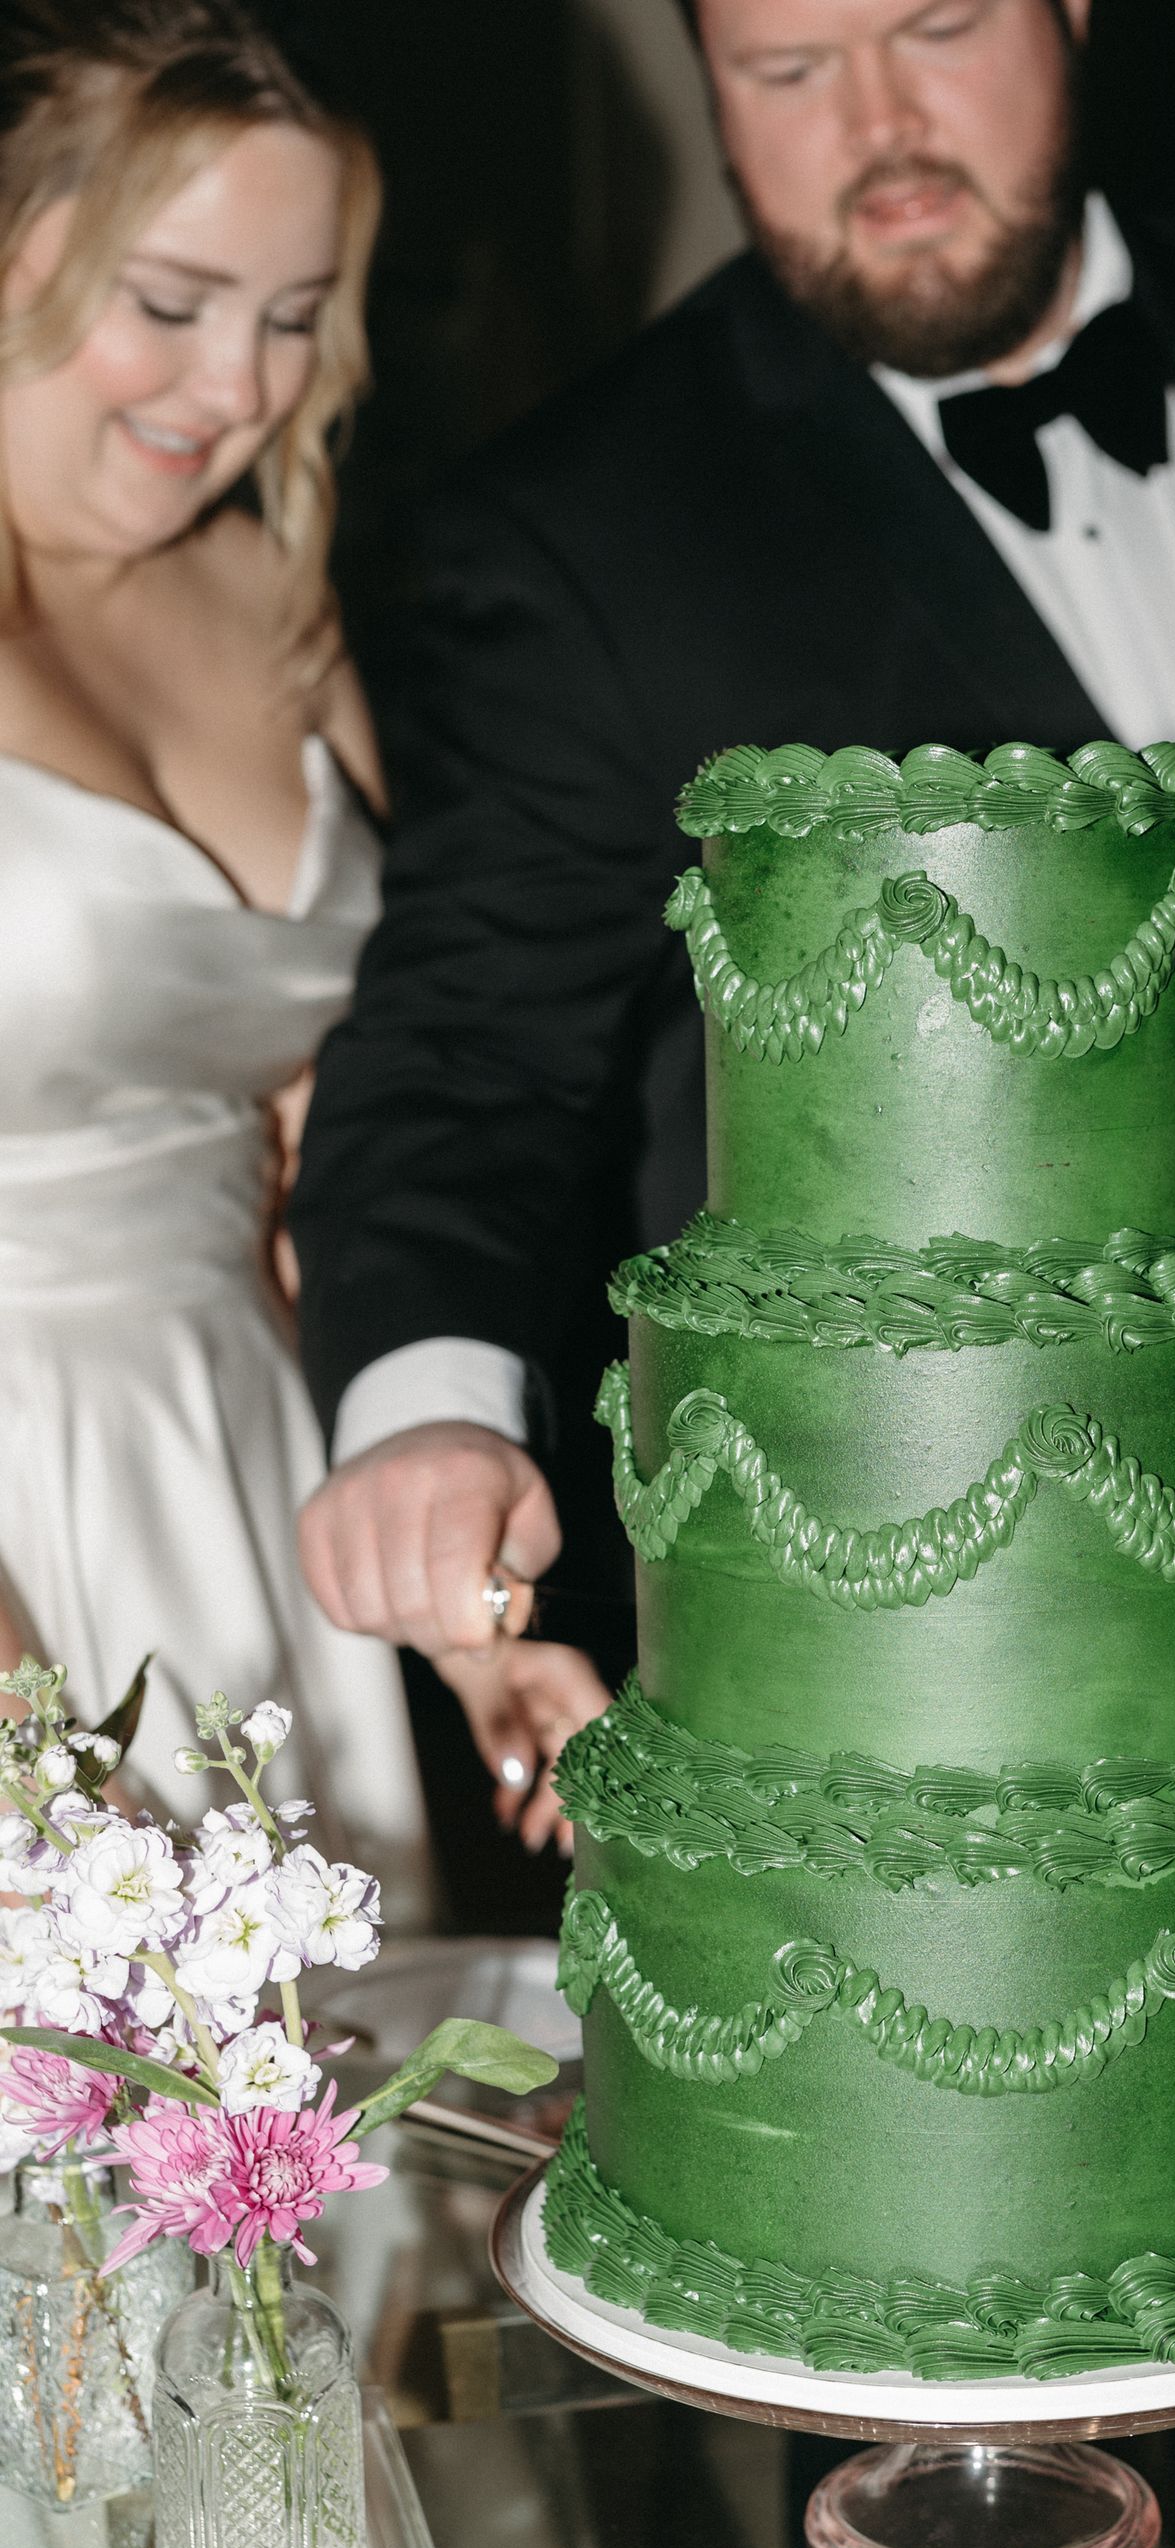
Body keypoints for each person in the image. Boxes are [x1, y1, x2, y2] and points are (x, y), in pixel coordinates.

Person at [292, 0, 1175, 1836]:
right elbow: (467, 1042)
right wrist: (428, 1409)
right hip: (938, 1622)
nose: (879, 124)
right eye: (785, 73)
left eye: (935, 29)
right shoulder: (580, 530)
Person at [0, 0, 432, 1903]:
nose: (237, 385)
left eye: (291, 316)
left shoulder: (277, 595)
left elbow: (328, 1140)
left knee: (318, 2158)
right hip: (16, 1527)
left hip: (251, 1474)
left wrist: (450, 1582)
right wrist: (33, 1759)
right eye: (170, 302)